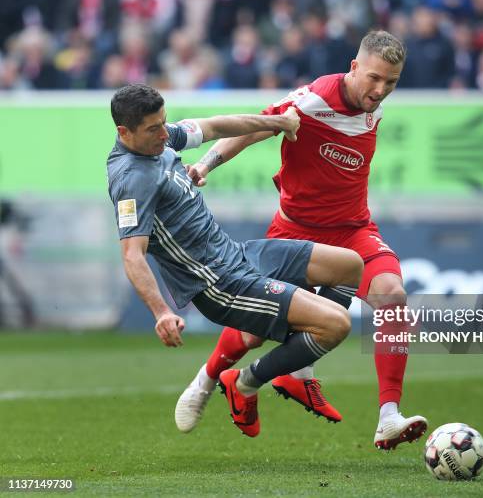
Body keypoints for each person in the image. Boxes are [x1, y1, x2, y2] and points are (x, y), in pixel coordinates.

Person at [181, 30, 428, 450]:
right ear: (353, 67)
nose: (380, 90)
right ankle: (205, 382)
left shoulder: (373, 105)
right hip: (294, 229)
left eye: (391, 82)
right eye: (373, 78)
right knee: (255, 330)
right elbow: (256, 127)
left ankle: (388, 416)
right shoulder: (314, 99)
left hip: (353, 230)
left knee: (392, 295)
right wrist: (206, 163)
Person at [107, 84, 364, 437]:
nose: (165, 134)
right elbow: (132, 254)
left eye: (164, 123)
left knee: (350, 265)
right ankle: (244, 383)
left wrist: (277, 122)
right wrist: (162, 312)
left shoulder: (161, 140)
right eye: (154, 129)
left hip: (238, 254)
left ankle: (297, 369)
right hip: (219, 284)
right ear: (125, 132)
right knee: (336, 326)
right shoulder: (131, 180)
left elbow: (216, 126)